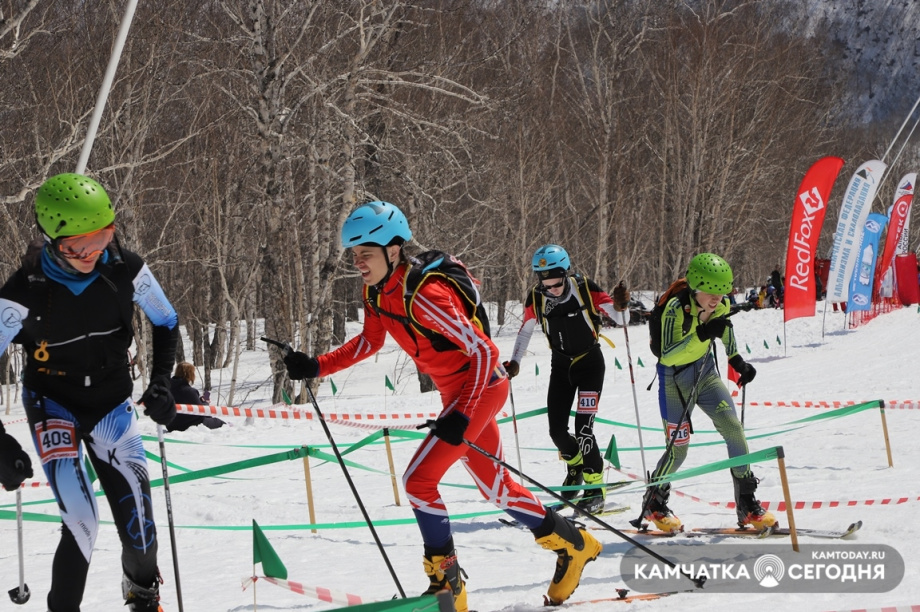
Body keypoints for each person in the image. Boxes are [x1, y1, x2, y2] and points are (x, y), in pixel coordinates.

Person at [281, 202, 601, 610]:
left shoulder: (426, 295)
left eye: (365, 253)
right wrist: (316, 365)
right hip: (460, 394)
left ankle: (446, 585)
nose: (357, 262)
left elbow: (485, 352)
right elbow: (370, 341)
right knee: (498, 488)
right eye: (354, 254)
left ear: (393, 250)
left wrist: (463, 413)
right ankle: (575, 545)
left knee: (418, 480)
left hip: (481, 388)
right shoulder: (377, 292)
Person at [0, 173, 179, 611]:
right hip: (53, 403)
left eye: (101, 237)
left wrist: (160, 382)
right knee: (81, 520)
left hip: (111, 403)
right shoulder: (23, 290)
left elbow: (166, 321)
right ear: (52, 240)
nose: (91, 254)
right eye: (77, 246)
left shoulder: (126, 269)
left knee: (141, 532)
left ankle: (143, 595)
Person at [640, 253, 774, 534]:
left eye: (722, 292)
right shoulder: (676, 308)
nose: (717, 299)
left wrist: (737, 360)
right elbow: (667, 355)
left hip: (705, 374)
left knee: (734, 429)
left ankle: (747, 505)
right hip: (673, 381)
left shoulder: (721, 304)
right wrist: (702, 334)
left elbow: (724, 329)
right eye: (711, 293)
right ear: (696, 288)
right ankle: (655, 503)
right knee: (678, 450)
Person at [503, 245, 629, 514]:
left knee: (584, 428)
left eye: (557, 283)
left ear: (565, 274)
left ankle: (595, 488)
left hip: (590, 365)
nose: (553, 289)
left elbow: (622, 319)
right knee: (557, 431)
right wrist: (515, 362)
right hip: (560, 367)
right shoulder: (536, 297)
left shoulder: (585, 287)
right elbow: (525, 332)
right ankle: (576, 468)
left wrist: (621, 305)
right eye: (546, 284)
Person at [167, 361, 225, 432]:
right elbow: (200, 411)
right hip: (189, 425)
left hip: (171, 425)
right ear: (190, 374)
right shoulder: (190, 391)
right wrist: (205, 402)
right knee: (221, 423)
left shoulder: (167, 389)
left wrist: (200, 401)